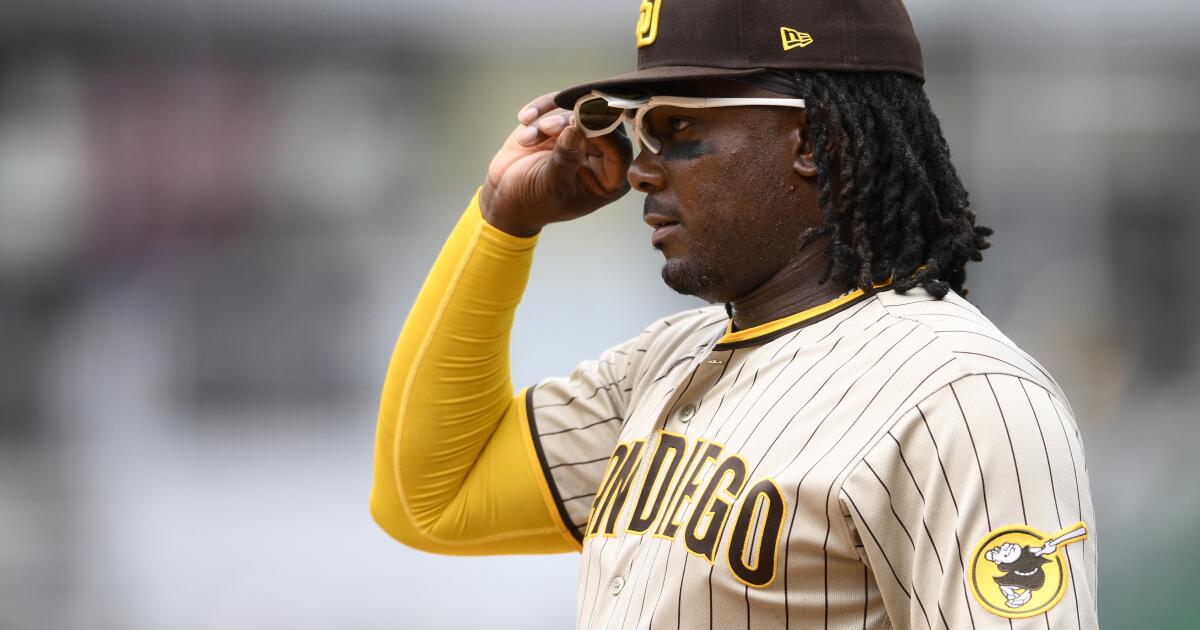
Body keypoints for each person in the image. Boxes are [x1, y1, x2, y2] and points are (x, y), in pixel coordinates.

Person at [369, 1, 1098, 628]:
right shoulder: (667, 361)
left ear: (815, 143)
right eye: (638, 129)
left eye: (678, 127)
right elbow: (431, 498)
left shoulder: (965, 396)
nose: (641, 167)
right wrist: (500, 222)